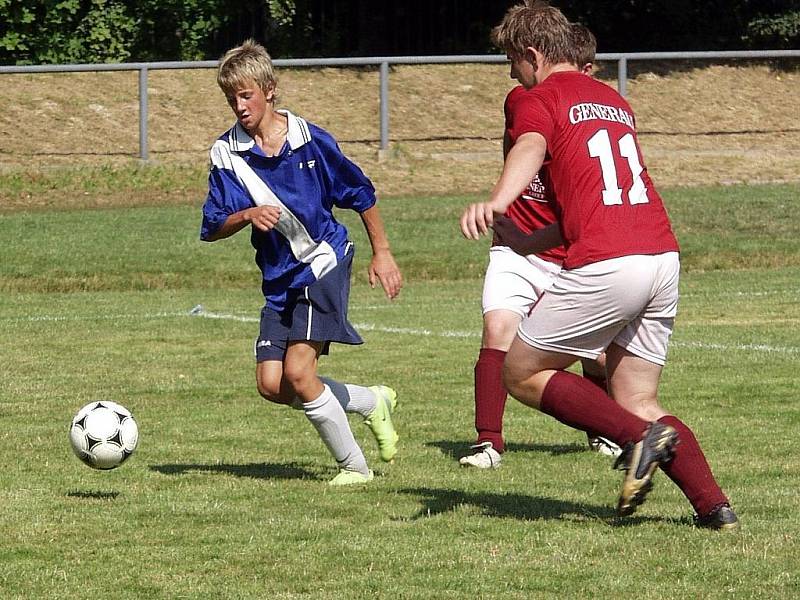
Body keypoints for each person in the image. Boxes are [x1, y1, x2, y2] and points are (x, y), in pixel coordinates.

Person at [461, 4, 738, 530]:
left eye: (511, 63)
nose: (512, 75)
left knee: (520, 372)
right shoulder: (613, 99)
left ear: (532, 55)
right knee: (637, 398)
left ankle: (638, 440)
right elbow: (596, 193)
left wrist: (497, 201)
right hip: (660, 254)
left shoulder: (538, 97)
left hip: (609, 262)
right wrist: (532, 235)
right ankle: (713, 507)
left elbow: (531, 143)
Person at [200, 40, 403, 486]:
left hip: (324, 261)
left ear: (270, 89)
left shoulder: (310, 139)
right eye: (231, 97)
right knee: (273, 384)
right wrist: (246, 215)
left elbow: (361, 193)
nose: (239, 105)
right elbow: (212, 226)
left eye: (246, 95)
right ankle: (371, 401)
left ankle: (355, 468)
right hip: (280, 278)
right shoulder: (226, 154)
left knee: (298, 370)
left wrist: (382, 252)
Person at [460, 21, 620, 470]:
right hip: (516, 244)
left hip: (565, 248)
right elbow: (528, 145)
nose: (511, 73)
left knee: (597, 353)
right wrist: (501, 205)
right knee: (497, 330)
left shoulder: (596, 111)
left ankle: (604, 427)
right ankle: (488, 441)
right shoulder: (524, 101)